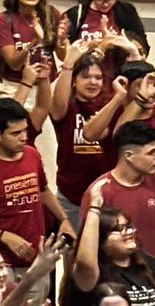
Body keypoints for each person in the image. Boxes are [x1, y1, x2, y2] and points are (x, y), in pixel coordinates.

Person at [0, 98, 72, 269]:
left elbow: (43, 190)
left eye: (25, 131)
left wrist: (64, 219)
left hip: (37, 259)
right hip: (3, 265)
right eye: (16, 134)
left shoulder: (32, 155)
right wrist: (4, 236)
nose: (24, 138)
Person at [78, 122, 155, 260]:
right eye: (152, 153)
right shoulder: (99, 192)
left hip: (152, 274)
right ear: (128, 156)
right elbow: (88, 244)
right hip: (115, 278)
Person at [50, 45, 121, 228]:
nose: (93, 82)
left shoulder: (109, 106)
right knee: (73, 252)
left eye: (98, 78)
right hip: (71, 197)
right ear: (74, 81)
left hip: (107, 196)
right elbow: (57, 104)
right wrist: (68, 63)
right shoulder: (66, 109)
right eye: (86, 77)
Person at [59, 0, 149, 79]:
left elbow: (143, 46)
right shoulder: (75, 14)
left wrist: (123, 44)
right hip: (86, 73)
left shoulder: (127, 11)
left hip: (119, 73)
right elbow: (65, 57)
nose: (105, 3)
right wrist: (91, 47)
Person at [0, 0, 60, 90]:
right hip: (17, 86)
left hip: (48, 83)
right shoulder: (3, 20)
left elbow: (61, 56)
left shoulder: (51, 13)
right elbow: (14, 64)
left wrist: (62, 42)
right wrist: (35, 41)